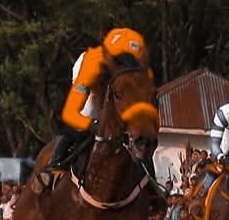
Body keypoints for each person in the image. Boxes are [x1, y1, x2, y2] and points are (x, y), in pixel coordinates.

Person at [38, 27, 157, 190]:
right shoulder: (87, 63)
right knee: (78, 127)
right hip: (92, 97)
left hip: (115, 102)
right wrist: (93, 123)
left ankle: (152, 182)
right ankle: (53, 167)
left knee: (139, 134)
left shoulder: (129, 63)